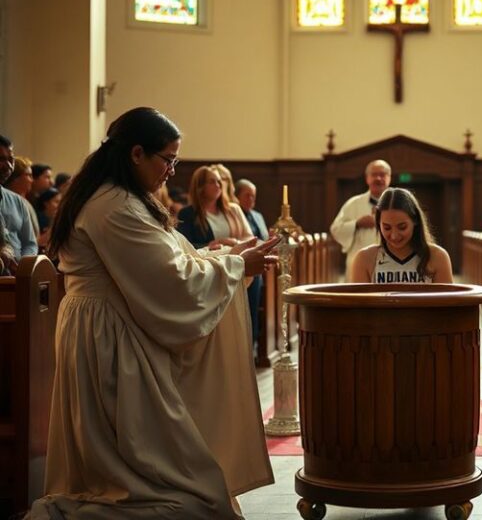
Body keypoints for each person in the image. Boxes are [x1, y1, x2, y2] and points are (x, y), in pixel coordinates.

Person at [29, 107, 278, 519]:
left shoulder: (119, 198)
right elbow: (170, 281)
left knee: (143, 469)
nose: (172, 171)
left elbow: (159, 262)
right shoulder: (114, 205)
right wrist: (235, 267)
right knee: (175, 491)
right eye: (168, 159)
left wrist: (218, 256)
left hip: (113, 327)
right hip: (110, 339)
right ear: (137, 153)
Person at [350, 187, 453, 283]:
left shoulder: (437, 257)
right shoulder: (364, 259)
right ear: (378, 224)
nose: (394, 235)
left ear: (415, 221)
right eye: (387, 228)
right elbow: (359, 302)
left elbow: (447, 301)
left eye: (402, 227)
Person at [331, 159, 392, 280]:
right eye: (374, 175)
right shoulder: (353, 203)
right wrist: (357, 224)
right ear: (367, 178)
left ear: (389, 178)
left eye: (382, 174)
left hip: (391, 264)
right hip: (358, 263)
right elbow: (335, 229)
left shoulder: (399, 203)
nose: (378, 178)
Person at [176, 165, 252, 250]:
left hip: (237, 258)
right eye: (212, 182)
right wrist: (210, 246)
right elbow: (185, 246)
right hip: (208, 260)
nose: (218, 185)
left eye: (219, 181)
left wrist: (235, 242)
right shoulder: (187, 213)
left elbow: (249, 238)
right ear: (200, 186)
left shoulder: (234, 209)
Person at [235, 178, 270, 351]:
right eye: (247, 195)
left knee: (255, 307)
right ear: (237, 196)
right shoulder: (235, 213)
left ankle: (255, 341)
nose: (251, 200)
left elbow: (262, 238)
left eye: (253, 196)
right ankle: (247, 343)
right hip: (245, 266)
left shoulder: (258, 216)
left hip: (260, 267)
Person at [0, 135, 38, 266]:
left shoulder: (17, 201)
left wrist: (24, 266)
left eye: (11, 160)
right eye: (1, 159)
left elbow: (30, 243)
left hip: (19, 277)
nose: (8, 166)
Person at [4, 155, 41, 239]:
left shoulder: (24, 201)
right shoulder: (9, 203)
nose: (32, 180)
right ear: (15, 178)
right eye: (28, 175)